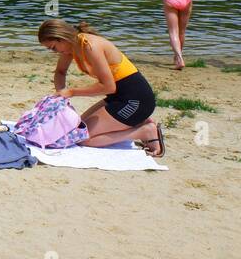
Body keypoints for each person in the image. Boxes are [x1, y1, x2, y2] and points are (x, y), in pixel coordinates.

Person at [37, 19, 164, 156]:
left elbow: (108, 86)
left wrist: (71, 92)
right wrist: (62, 98)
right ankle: (139, 122)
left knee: (82, 139)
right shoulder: (70, 48)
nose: (54, 52)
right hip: (118, 97)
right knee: (76, 130)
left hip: (136, 100)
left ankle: (144, 131)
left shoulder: (89, 45)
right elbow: (60, 72)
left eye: (53, 47)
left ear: (61, 38)